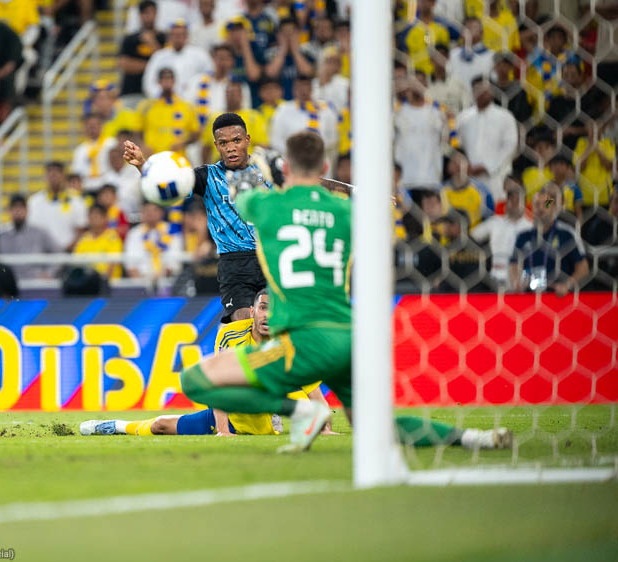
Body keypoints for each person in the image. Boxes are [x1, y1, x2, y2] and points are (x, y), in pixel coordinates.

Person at [179, 130, 511, 453]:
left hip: (301, 338)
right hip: (345, 333)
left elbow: (241, 192)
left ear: (288, 168)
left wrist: (262, 169)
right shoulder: (344, 211)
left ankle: (301, 411)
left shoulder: (270, 207)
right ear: (325, 167)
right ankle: (473, 438)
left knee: (198, 381)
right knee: (375, 425)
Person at [80, 290, 333, 436]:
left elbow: (314, 392)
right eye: (263, 308)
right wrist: (223, 430)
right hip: (230, 415)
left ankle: (273, 413)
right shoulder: (232, 334)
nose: (268, 315)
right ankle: (113, 426)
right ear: (252, 311)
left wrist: (326, 429)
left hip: (263, 414)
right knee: (159, 425)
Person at [123, 111, 271, 323]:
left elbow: (305, 183)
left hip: (271, 257)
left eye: (236, 140)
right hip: (234, 263)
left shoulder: (268, 172)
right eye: (223, 143)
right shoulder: (207, 176)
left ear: (247, 140)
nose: (230, 147)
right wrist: (142, 164)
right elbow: (169, 181)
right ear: (216, 145)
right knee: (244, 322)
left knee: (273, 323)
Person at [510, 184, 589, 296]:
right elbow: (513, 264)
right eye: (537, 204)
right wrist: (516, 281)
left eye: (546, 204)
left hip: (558, 296)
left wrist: (567, 285)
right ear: (531, 208)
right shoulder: (523, 236)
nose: (541, 208)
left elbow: (583, 268)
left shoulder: (567, 234)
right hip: (529, 296)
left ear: (554, 207)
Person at [456, 76, 518, 204]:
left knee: (498, 208)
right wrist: (465, 166)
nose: (481, 93)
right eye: (477, 89)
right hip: (470, 176)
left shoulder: (505, 116)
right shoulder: (463, 118)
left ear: (493, 91)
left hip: (497, 177)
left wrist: (488, 167)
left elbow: (511, 146)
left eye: (485, 89)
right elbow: (458, 145)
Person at [470, 180, 532, 286]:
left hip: (521, 279)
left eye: (518, 200)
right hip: (495, 277)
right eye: (511, 200)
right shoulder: (495, 222)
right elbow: (472, 236)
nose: (514, 204)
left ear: (524, 203)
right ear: (506, 203)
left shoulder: (531, 227)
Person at [142, 20, 214, 100]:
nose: (178, 38)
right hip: (165, 101)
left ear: (187, 36)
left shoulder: (200, 54)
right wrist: (161, 96)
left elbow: (209, 75)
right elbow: (149, 81)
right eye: (174, 35)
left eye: (181, 35)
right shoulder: (159, 56)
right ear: (169, 37)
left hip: (193, 101)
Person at [26, 162, 88, 252]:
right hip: (42, 253)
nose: (53, 177)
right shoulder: (34, 201)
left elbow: (81, 230)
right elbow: (31, 230)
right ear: (45, 177)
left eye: (57, 173)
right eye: (50, 174)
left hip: (68, 253)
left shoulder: (76, 200)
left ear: (64, 176)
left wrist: (66, 249)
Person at [137, 68, 200, 155]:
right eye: (164, 78)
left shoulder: (186, 107)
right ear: (159, 81)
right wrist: (142, 145)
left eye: (169, 78)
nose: (167, 81)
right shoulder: (146, 106)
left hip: (176, 156)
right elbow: (136, 130)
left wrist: (183, 143)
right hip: (153, 156)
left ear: (174, 81)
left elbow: (196, 133)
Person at [0, 194, 59, 280]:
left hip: (34, 283)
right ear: (9, 210)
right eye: (14, 207)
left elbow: (58, 253)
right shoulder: (0, 234)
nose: (18, 211)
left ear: (27, 210)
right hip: (8, 284)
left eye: (21, 207)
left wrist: (49, 273)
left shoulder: (40, 233)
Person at [119, 0, 166, 102]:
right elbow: (124, 64)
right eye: (146, 12)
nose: (150, 16)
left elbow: (165, 63)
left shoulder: (163, 37)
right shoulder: (130, 39)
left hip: (156, 93)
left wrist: (152, 43)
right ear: (140, 15)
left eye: (152, 12)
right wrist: (152, 66)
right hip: (131, 91)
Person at [123, 201, 183, 280]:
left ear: (161, 212)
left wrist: (162, 278)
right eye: (147, 210)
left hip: (169, 280)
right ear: (142, 213)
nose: (150, 213)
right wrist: (139, 282)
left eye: (154, 210)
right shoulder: (134, 233)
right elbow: (130, 262)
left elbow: (175, 258)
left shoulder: (171, 231)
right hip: (140, 280)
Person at [73, 203, 124, 280]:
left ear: (105, 218)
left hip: (108, 284)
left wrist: (102, 283)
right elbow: (76, 264)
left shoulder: (113, 238)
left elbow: (112, 264)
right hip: (86, 282)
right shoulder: (83, 239)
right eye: (91, 216)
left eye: (97, 215)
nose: (93, 219)